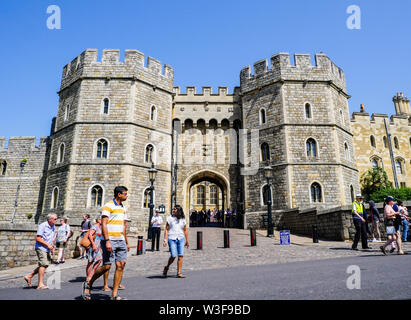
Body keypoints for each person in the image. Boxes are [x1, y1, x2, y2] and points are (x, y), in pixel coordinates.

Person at [82, 186, 130, 300]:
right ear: (119, 194)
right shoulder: (108, 206)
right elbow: (104, 223)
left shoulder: (123, 208)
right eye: (125, 194)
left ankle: (114, 294)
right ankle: (89, 283)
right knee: (106, 266)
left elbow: (123, 226)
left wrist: (126, 241)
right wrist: (107, 240)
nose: (126, 196)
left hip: (120, 240)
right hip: (110, 240)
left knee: (121, 265)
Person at [24, 213, 57, 289]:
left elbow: (51, 238)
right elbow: (38, 238)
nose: (56, 220)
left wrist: (52, 246)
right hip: (41, 247)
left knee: (46, 264)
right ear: (50, 219)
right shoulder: (42, 226)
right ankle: (40, 285)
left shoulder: (53, 226)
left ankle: (29, 276)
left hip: (47, 248)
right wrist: (47, 245)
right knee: (43, 264)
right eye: (55, 219)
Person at [162, 205, 189, 278]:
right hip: (172, 238)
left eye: (175, 209)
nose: (173, 210)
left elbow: (185, 230)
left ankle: (179, 273)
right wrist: (165, 240)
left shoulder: (183, 219)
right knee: (173, 255)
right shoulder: (170, 218)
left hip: (181, 238)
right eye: (173, 209)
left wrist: (187, 240)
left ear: (179, 210)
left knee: (181, 256)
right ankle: (167, 267)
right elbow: (167, 229)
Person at [85, 216, 103, 283]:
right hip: (93, 246)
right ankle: (88, 277)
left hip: (98, 247)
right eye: (102, 219)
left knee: (99, 260)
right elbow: (90, 235)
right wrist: (93, 244)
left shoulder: (101, 227)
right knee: (90, 262)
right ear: (98, 220)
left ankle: (91, 274)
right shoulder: (95, 226)